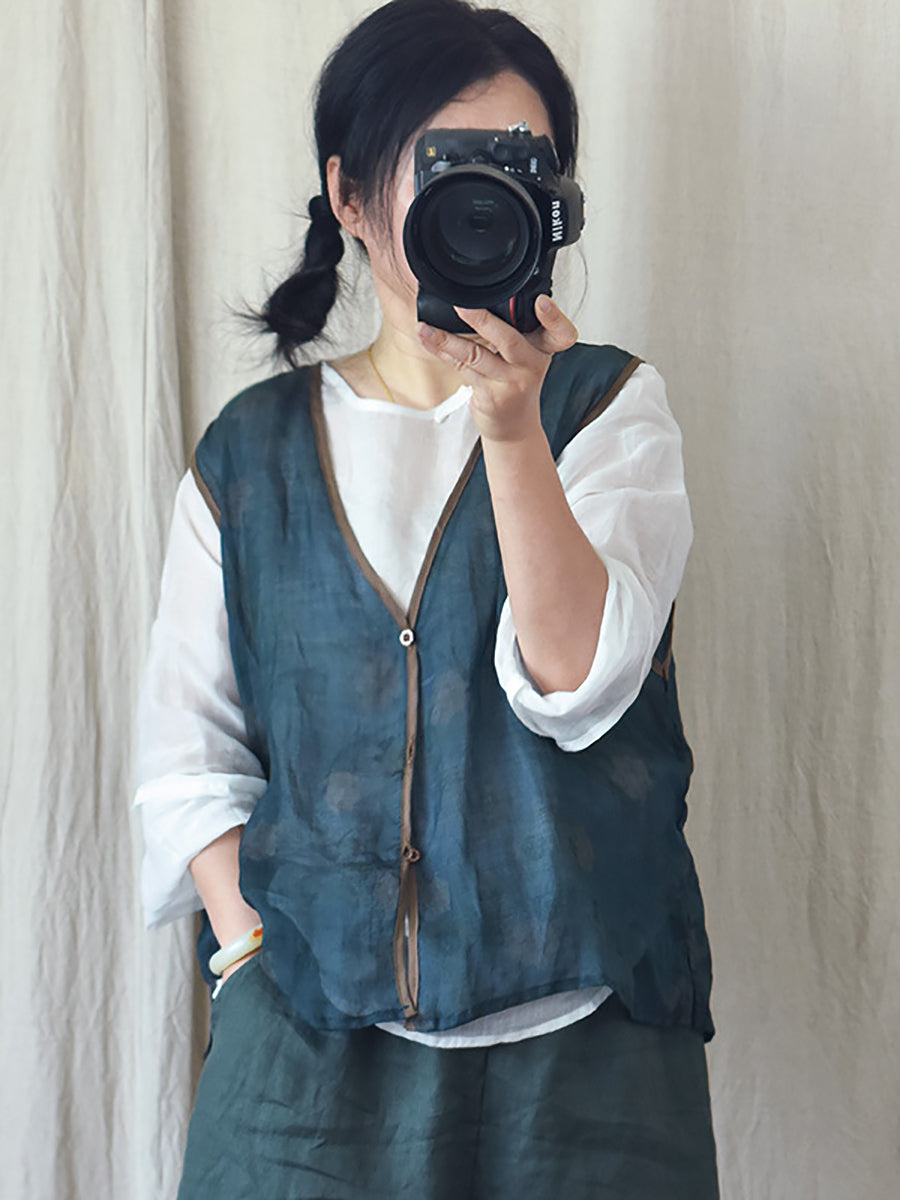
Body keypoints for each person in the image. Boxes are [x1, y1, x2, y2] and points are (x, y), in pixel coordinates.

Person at [133, 1, 719, 1196]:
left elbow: (577, 681)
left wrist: (512, 427)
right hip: (306, 1057)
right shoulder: (251, 454)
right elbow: (188, 755)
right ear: (350, 196)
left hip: (584, 1054)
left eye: (522, 167)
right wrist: (248, 953)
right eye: (446, 162)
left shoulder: (608, 410)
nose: (482, 196)